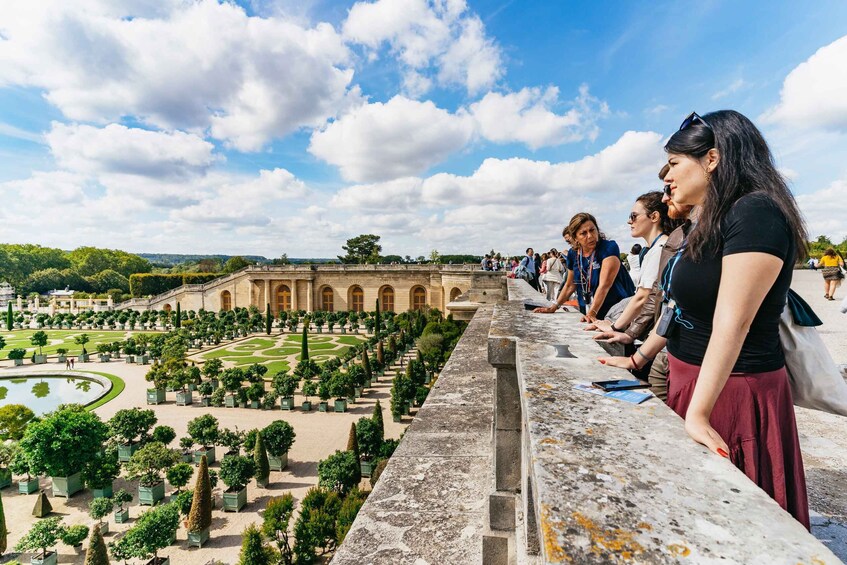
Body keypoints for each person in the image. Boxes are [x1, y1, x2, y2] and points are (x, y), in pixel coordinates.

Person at [599, 110, 810, 529]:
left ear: (712, 159)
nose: (668, 179)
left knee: (731, 524)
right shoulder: (714, 219)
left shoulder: (756, 213)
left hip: (731, 391)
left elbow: (733, 323)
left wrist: (699, 413)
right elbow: (681, 309)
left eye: (675, 164)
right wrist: (638, 360)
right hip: (698, 383)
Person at [590, 191, 677, 338]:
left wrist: (614, 326)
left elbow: (643, 297)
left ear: (654, 217)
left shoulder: (660, 249)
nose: (629, 221)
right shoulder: (657, 248)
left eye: (633, 216)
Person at [536, 213, 635, 319]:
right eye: (583, 233)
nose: (590, 236)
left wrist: (592, 313)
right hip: (587, 311)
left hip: (613, 312)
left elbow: (604, 285)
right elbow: (570, 285)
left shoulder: (608, 248)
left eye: (592, 230)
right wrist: (554, 307)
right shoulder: (573, 254)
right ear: (575, 237)